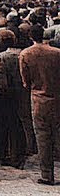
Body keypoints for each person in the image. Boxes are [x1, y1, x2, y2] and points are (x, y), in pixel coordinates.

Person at [20, 24, 60, 185]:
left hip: (39, 100)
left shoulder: (26, 54)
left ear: (30, 36)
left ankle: (47, 174)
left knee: (43, 137)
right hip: (57, 97)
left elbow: (25, 81)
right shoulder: (57, 53)